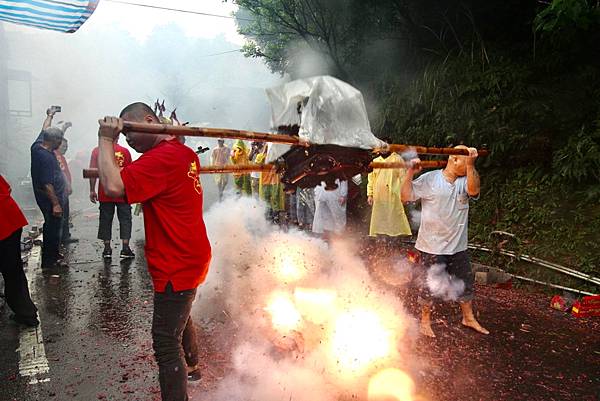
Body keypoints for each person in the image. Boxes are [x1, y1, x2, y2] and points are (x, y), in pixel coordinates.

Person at [96, 103, 211, 401]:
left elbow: (112, 186)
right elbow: (126, 174)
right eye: (124, 133)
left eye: (130, 130)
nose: (128, 138)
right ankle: (194, 368)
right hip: (190, 253)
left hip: (177, 260)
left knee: (164, 342)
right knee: (180, 317)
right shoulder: (181, 153)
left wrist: (106, 138)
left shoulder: (162, 159)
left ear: (150, 121)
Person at [401, 145, 489, 337]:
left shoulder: (466, 180)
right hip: (432, 246)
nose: (469, 167)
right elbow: (405, 196)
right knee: (429, 285)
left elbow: (474, 191)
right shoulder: (431, 179)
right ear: (455, 160)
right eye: (466, 162)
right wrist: (410, 173)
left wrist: (471, 164)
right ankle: (425, 321)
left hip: (458, 246)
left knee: (465, 282)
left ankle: (468, 318)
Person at [0, 175, 39, 327]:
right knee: (13, 270)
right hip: (11, 217)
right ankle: (27, 313)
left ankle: (26, 313)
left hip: (4, 223)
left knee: (11, 270)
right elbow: (7, 187)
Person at [30, 108, 66, 269]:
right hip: (49, 199)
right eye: (60, 140)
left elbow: (44, 129)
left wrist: (50, 115)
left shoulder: (38, 146)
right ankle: (49, 261)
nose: (61, 143)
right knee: (52, 227)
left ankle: (53, 254)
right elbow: (47, 184)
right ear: (53, 141)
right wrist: (56, 204)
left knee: (54, 226)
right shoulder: (45, 158)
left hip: (47, 197)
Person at [89, 140, 134, 259]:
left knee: (105, 219)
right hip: (122, 191)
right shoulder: (124, 151)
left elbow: (92, 172)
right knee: (125, 219)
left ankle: (107, 249)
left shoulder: (97, 151)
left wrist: (92, 189)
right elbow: (130, 172)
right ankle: (125, 248)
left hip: (105, 191)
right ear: (118, 136)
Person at [367, 151, 412, 241]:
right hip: (378, 195)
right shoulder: (375, 161)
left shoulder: (397, 159)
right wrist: (370, 194)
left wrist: (405, 194)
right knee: (379, 217)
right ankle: (381, 240)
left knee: (393, 216)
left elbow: (403, 177)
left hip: (393, 195)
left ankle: (394, 239)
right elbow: (371, 179)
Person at [56, 134, 78, 244]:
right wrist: (68, 185)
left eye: (66, 146)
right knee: (62, 215)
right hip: (60, 191)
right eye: (63, 146)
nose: (65, 148)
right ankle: (62, 237)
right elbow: (61, 173)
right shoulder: (57, 156)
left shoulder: (61, 156)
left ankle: (64, 235)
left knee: (65, 214)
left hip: (63, 191)